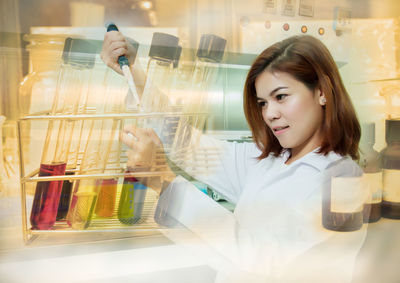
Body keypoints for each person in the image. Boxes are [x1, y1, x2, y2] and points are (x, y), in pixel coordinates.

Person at [101, 33, 367, 282]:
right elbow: (188, 144)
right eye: (263, 102)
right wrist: (133, 73)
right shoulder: (269, 160)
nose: (269, 113)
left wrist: (162, 180)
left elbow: (262, 259)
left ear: (322, 91)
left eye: (281, 97)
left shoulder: (344, 181)